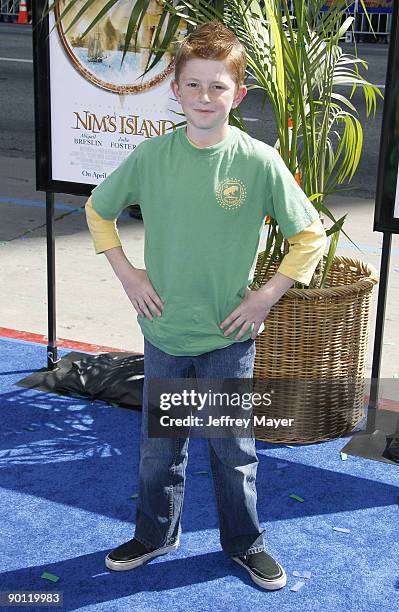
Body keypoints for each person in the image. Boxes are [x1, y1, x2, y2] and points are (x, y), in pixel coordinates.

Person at [85, 20, 327, 591]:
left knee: (232, 454)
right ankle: (154, 534)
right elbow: (99, 211)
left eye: (217, 87)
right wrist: (128, 275)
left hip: (226, 338)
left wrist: (266, 298)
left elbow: (309, 236)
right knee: (158, 451)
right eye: (192, 85)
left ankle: (245, 543)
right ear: (175, 89)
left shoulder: (258, 161)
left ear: (237, 95)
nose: (204, 97)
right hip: (165, 332)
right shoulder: (151, 157)